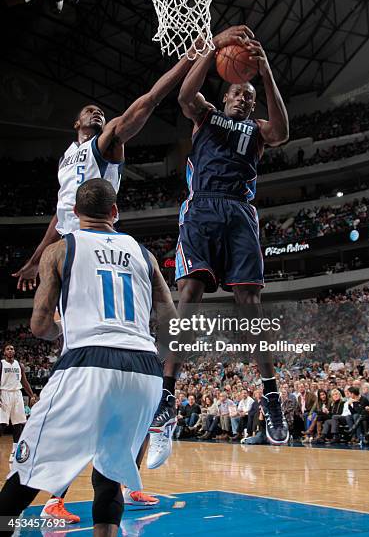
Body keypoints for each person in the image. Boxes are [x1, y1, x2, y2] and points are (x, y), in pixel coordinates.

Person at [10, 34, 234, 517]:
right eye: (89, 111)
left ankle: (77, 492)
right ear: (75, 123)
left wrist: (184, 65)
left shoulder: (106, 143)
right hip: (73, 252)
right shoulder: (67, 163)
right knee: (93, 381)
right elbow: (58, 213)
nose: (97, 114)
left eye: (101, 112)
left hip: (92, 248)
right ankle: (64, 495)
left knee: (91, 379)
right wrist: (36, 257)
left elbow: (148, 102)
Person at [0, 179, 176, 537]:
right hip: (144, 370)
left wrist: (64, 329)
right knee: (110, 476)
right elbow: (173, 321)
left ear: (76, 214)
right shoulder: (145, 254)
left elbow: (39, 326)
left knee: (27, 472)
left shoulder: (60, 250)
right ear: (115, 212)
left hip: (88, 362)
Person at [172, 29, 290, 446]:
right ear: (224, 95)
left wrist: (267, 72)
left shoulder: (257, 129)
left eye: (250, 97)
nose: (244, 99)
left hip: (240, 211)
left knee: (250, 305)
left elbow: (281, 132)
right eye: (238, 94)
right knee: (188, 292)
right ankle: (167, 394)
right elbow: (186, 95)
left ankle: (272, 395)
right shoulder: (205, 114)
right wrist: (209, 49)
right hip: (202, 206)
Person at [0, 344, 36, 463]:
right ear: (4, 352)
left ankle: (14, 451)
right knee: (2, 424)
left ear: (14, 352)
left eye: (12, 349)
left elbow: (24, 381)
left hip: (17, 394)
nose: (10, 351)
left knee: (18, 424)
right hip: (3, 393)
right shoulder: (1, 364)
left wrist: (31, 395)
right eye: (8, 349)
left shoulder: (19, 365)